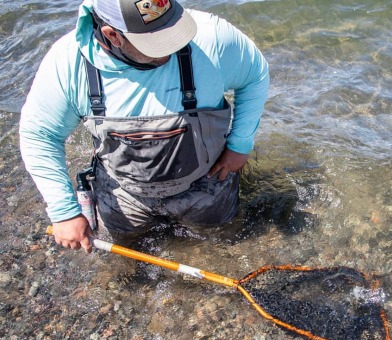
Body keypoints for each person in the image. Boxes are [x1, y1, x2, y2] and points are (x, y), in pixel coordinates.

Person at [19, 0, 269, 254]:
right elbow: (41, 135)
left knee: (226, 244)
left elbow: (255, 75)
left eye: (174, 32)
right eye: (158, 43)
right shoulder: (67, 63)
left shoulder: (213, 38)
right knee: (125, 259)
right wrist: (65, 211)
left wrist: (240, 144)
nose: (175, 46)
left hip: (208, 182)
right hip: (124, 194)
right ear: (113, 35)